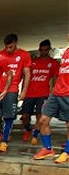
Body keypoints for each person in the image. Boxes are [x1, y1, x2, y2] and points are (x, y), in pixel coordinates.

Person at [33, 34, 69, 163]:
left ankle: (67, 152)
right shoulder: (66, 52)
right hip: (56, 93)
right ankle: (48, 148)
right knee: (43, 120)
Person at [0, 34, 31, 153]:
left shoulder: (24, 55)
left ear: (16, 43)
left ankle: (4, 141)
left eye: (11, 47)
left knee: (9, 116)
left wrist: (24, 91)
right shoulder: (0, 54)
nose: (8, 50)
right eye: (6, 47)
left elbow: (27, 74)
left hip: (12, 89)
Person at [21, 39, 59, 143]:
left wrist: (53, 92)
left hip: (44, 94)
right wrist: (23, 90)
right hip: (29, 93)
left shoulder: (53, 63)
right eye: (42, 50)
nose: (43, 52)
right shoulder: (33, 62)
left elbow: (55, 78)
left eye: (46, 50)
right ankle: (28, 129)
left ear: (49, 49)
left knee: (39, 115)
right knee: (25, 116)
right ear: (39, 50)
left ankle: (35, 134)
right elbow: (26, 77)